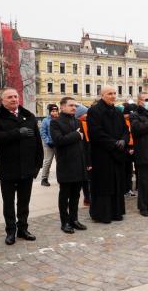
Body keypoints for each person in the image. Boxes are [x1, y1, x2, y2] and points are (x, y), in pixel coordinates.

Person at [0, 87, 43, 245]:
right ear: (2, 100)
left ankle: (23, 229)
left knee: (24, 202)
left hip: (27, 169)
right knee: (9, 203)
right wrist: (17, 133)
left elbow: (38, 144)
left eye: (15, 96)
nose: (14, 99)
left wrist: (37, 166)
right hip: (8, 169)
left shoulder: (29, 116)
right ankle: (10, 231)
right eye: (10, 97)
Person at [87, 85, 129, 223]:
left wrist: (123, 140)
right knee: (104, 185)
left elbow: (125, 129)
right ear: (102, 95)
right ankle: (103, 214)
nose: (113, 96)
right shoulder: (94, 111)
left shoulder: (117, 111)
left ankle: (116, 212)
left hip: (117, 155)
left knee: (117, 184)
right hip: (102, 155)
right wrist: (114, 143)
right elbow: (96, 133)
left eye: (114, 93)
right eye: (110, 93)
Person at [50, 97, 90, 233]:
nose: (74, 108)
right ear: (62, 107)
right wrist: (76, 135)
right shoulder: (55, 123)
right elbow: (58, 140)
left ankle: (74, 219)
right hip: (66, 165)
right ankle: (65, 222)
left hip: (79, 164)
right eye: (71, 105)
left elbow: (84, 144)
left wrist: (87, 162)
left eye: (75, 106)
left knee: (76, 195)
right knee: (64, 196)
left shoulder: (78, 121)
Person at [75, 104, 91, 205]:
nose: (87, 115)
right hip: (80, 155)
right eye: (85, 114)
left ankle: (87, 198)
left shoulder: (87, 123)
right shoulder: (77, 125)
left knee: (87, 179)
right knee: (83, 179)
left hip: (88, 154)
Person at [40, 104, 59, 187]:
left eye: (56, 111)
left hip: (58, 143)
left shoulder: (60, 120)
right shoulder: (45, 120)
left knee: (60, 161)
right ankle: (44, 179)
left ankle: (60, 178)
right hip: (49, 144)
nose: (54, 112)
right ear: (50, 111)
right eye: (53, 111)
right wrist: (48, 142)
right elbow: (43, 132)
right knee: (48, 161)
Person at [123, 103, 137, 197]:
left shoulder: (133, 121)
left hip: (133, 148)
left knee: (130, 171)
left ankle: (129, 188)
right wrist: (127, 149)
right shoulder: (122, 122)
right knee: (125, 171)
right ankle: (125, 189)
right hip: (125, 149)